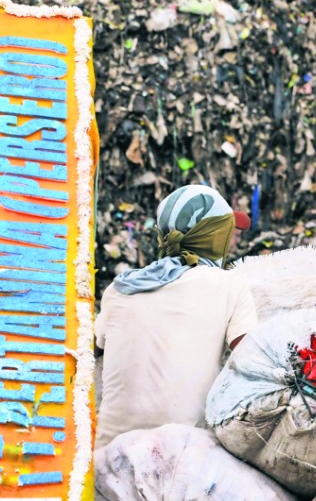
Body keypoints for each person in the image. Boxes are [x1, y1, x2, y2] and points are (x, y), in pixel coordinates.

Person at [94, 184, 257, 450]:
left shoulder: (120, 287)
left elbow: (95, 349)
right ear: (214, 236)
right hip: (182, 452)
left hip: (107, 449)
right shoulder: (230, 285)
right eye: (228, 231)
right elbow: (252, 361)